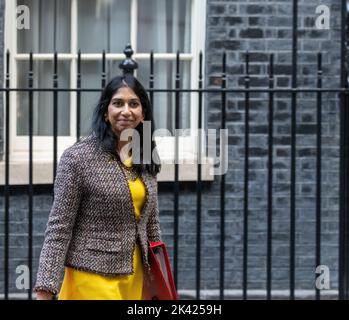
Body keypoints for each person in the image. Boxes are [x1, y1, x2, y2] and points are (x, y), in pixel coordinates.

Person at [34, 74, 162, 300]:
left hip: (136, 277)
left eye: (134, 104)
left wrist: (158, 271)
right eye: (117, 103)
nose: (126, 110)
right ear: (105, 112)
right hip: (92, 277)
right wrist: (45, 290)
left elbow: (151, 223)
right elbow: (59, 227)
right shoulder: (78, 158)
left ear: (143, 115)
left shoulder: (144, 157)